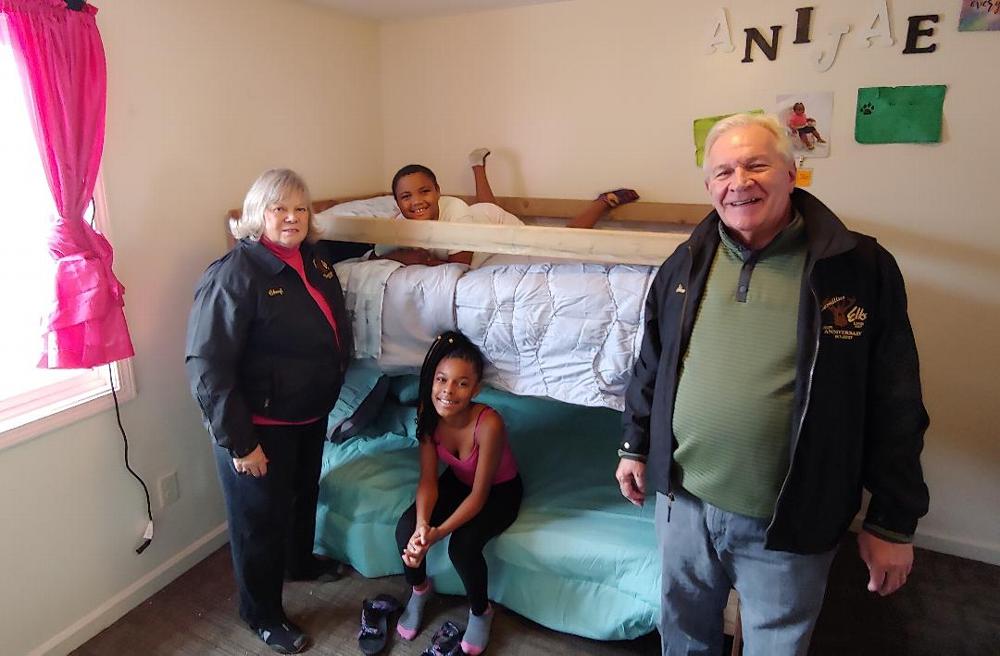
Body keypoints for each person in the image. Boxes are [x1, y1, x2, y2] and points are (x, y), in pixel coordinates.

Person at [616, 114, 929, 655]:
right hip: (683, 507)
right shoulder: (685, 262)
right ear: (709, 186)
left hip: (791, 518)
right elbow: (652, 362)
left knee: (777, 647)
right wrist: (635, 445)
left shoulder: (857, 268)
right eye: (723, 172)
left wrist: (893, 521)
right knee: (684, 638)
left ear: (793, 173)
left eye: (757, 164)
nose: (739, 182)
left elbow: (896, 400)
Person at [185, 169, 353, 654]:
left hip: (307, 413)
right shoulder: (234, 274)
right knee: (257, 522)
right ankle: (259, 613)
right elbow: (207, 367)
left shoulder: (315, 261)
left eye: (301, 208)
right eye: (280, 208)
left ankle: (299, 562)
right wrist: (241, 443)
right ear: (256, 215)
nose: (292, 218)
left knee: (301, 498)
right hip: (259, 427)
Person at [393, 331, 523, 655]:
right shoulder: (428, 413)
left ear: (476, 389)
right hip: (457, 480)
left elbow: (479, 496)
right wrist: (423, 525)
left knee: (462, 547)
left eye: (461, 384)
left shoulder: (489, 424)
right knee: (406, 530)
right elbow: (428, 480)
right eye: (442, 380)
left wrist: (437, 534)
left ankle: (481, 612)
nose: (448, 391)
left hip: (497, 491)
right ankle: (420, 590)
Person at [376, 150, 639, 266]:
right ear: (397, 203)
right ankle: (477, 165)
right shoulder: (397, 225)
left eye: (425, 191)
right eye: (406, 196)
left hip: (493, 223)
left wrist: (424, 261)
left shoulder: (455, 210)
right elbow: (376, 255)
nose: (417, 201)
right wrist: (406, 257)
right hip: (479, 217)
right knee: (484, 206)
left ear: (438, 192)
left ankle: (601, 202)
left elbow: (460, 264)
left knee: (564, 242)